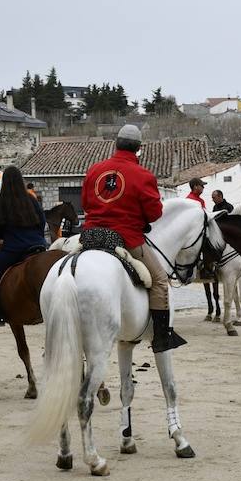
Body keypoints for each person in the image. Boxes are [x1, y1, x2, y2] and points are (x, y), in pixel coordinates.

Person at [82, 124, 185, 353]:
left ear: (115, 144)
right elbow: (155, 213)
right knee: (159, 280)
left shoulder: (94, 169)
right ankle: (160, 337)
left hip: (90, 235)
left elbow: (87, 204)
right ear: (139, 149)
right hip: (125, 237)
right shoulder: (143, 175)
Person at [0, 166, 47, 329]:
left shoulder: (2, 201)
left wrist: (5, 237)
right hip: (38, 245)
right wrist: (38, 238)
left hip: (14, 248)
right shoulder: (31, 199)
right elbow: (42, 221)